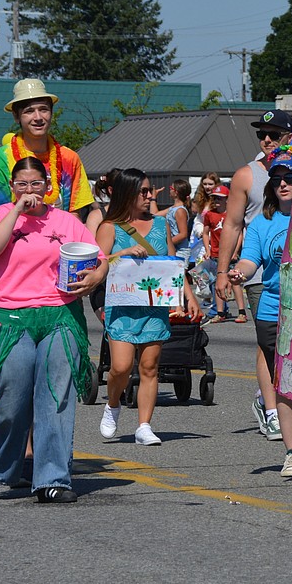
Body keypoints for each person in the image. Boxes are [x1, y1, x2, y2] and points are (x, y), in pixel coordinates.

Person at [0, 157, 108, 503]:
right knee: (11, 400)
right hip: (10, 316)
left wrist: (94, 277)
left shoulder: (63, 221)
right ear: (13, 187)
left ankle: (53, 478)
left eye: (37, 184)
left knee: (56, 398)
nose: (31, 191)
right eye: (23, 185)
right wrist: (15, 211)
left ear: (49, 186)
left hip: (59, 315)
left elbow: (99, 257)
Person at [228, 150, 292, 478]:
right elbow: (250, 260)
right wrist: (240, 273)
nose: (283, 184)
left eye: (290, 178)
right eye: (277, 180)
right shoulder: (261, 223)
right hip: (274, 311)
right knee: (287, 385)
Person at [96, 169, 199, 445]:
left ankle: (144, 425)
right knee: (120, 366)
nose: (150, 196)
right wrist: (122, 253)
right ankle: (113, 404)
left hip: (154, 305)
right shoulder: (110, 227)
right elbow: (97, 262)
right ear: (128, 193)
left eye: (150, 190)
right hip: (123, 306)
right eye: (144, 191)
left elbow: (172, 262)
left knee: (150, 366)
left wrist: (187, 294)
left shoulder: (159, 224)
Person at [215, 110, 292, 442]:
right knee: (268, 343)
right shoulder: (246, 175)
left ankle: (282, 399)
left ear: (288, 138)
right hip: (258, 268)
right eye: (262, 134)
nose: (266, 139)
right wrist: (222, 271)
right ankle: (272, 409)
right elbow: (232, 224)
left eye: (274, 134)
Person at [0, 79, 102, 233]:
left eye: (43, 109)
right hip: (15, 243)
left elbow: (75, 213)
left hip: (59, 242)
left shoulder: (69, 158)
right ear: (16, 117)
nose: (38, 117)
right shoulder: (0, 159)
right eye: (29, 111)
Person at [203, 186, 247, 324]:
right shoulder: (210, 214)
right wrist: (207, 249)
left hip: (231, 254)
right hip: (216, 253)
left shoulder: (232, 214)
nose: (216, 201)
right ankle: (220, 312)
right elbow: (205, 233)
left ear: (228, 200)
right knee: (218, 282)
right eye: (214, 198)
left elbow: (239, 233)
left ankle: (242, 312)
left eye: (220, 198)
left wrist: (235, 251)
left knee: (235, 282)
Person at [158, 179, 193, 260]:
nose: (169, 190)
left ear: (176, 192)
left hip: (180, 251)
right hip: (173, 249)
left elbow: (183, 234)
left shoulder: (180, 210)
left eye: (171, 188)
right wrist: (153, 198)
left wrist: (165, 243)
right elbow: (155, 215)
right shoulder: (172, 209)